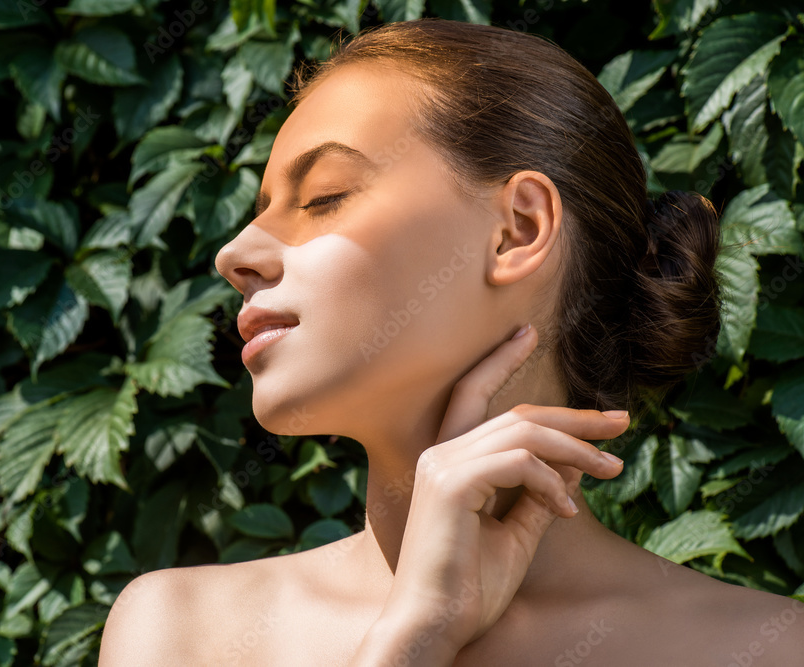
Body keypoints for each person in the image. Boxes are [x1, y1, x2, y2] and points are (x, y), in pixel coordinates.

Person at [99, 18, 804, 666]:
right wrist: (415, 635)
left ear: (518, 229)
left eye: (323, 197)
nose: (233, 254)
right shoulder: (176, 632)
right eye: (262, 211)